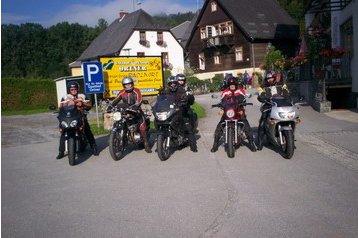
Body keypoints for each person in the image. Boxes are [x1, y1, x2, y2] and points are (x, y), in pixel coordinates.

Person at [211, 77, 257, 152]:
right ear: (228, 85)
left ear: (236, 84)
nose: (232, 86)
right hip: (228, 112)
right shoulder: (225, 92)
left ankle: (251, 143)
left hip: (239, 111)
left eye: (233, 84)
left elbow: (245, 98)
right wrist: (219, 105)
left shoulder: (240, 91)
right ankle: (215, 145)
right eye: (230, 84)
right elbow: (222, 100)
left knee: (246, 124)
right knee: (220, 126)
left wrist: (244, 101)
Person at [56, 81, 98, 159]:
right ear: (69, 90)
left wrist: (82, 104)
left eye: (75, 89)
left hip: (80, 116)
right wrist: (60, 110)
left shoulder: (82, 96)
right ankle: (61, 152)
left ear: (77, 89)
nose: (74, 91)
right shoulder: (65, 97)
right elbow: (61, 107)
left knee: (87, 130)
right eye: (72, 89)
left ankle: (94, 147)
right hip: (69, 117)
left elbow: (89, 105)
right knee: (63, 131)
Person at [110, 77, 152, 153]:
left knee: (142, 126)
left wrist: (135, 106)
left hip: (136, 111)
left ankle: (146, 144)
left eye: (129, 84)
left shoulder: (136, 91)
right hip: (126, 111)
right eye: (126, 85)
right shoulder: (122, 92)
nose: (128, 86)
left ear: (132, 84)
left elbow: (139, 100)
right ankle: (116, 139)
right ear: (124, 85)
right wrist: (110, 106)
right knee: (118, 121)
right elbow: (116, 100)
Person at [256, 71, 290, 150]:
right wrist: (262, 98)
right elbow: (260, 95)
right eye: (268, 78)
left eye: (271, 78)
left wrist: (287, 96)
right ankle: (259, 143)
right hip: (268, 105)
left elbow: (287, 92)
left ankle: (290, 136)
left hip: (280, 105)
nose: (270, 80)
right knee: (262, 123)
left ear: (274, 78)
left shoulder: (281, 84)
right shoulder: (262, 87)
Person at [163, 76, 198, 152]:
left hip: (183, 109)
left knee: (188, 126)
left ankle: (193, 146)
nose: (172, 85)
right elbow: (162, 98)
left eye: (174, 83)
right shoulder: (166, 90)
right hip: (171, 110)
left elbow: (187, 98)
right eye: (171, 83)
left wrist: (185, 100)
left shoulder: (182, 89)